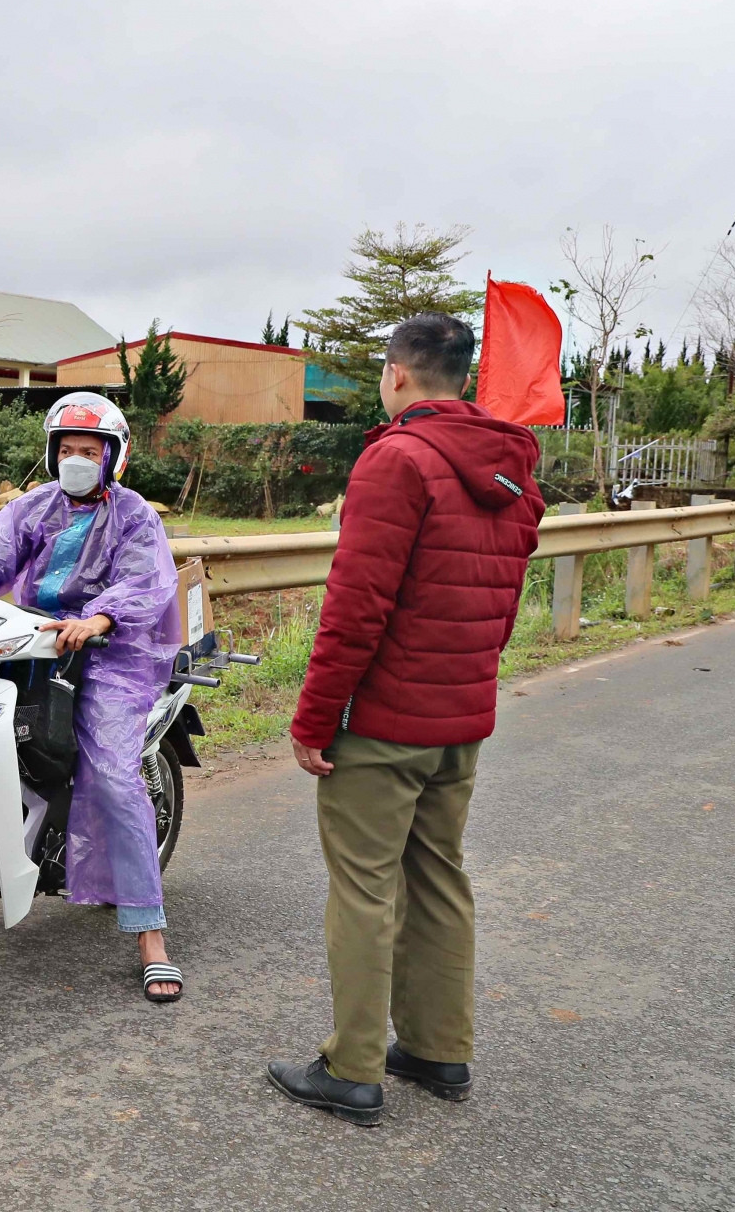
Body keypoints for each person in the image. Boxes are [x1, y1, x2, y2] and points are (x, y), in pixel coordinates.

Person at [268, 313, 545, 1126]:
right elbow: (504, 601)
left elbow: (355, 610)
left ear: (397, 375)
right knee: (439, 875)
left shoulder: (397, 460)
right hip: (460, 715)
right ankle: (437, 1048)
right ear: (462, 377)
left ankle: (352, 1067)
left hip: (385, 721)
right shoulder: (512, 466)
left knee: (363, 886)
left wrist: (315, 718)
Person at [0, 391, 187, 1000]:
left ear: (113, 457)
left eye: (90, 450)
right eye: (68, 449)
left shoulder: (135, 515)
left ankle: (148, 929)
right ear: (52, 453)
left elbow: (145, 582)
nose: (77, 459)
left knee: (112, 775)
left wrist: (100, 619)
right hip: (31, 640)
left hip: (114, 654)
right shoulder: (32, 507)